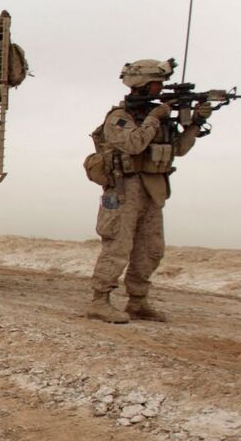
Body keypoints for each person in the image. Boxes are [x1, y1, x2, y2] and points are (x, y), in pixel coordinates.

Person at [86, 58, 210, 323]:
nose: (159, 89)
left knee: (151, 249)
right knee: (117, 245)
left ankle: (138, 301)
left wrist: (195, 124)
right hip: (123, 188)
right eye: (156, 83)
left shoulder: (157, 118)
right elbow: (133, 144)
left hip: (153, 189)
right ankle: (100, 301)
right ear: (141, 84)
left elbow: (179, 149)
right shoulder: (120, 118)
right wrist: (154, 118)